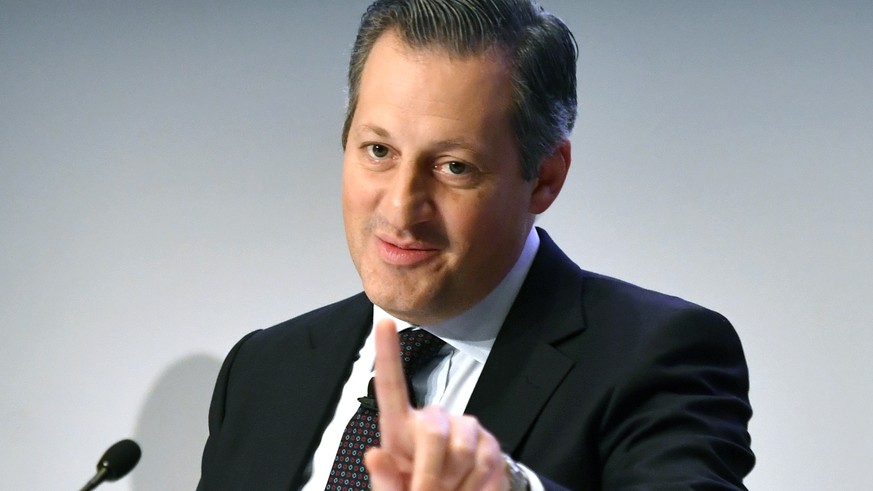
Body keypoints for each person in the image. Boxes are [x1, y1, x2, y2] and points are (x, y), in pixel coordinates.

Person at [197, 0, 755, 489]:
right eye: (378, 151)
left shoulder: (658, 356)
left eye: (454, 167)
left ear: (545, 178)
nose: (400, 209)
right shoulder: (263, 369)